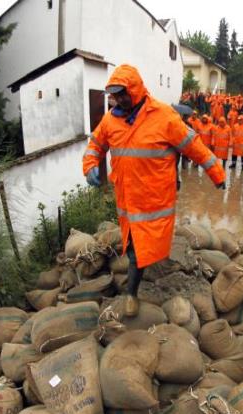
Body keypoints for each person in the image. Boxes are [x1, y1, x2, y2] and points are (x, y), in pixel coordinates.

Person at [83, 64, 226, 317]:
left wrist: (216, 172)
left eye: (122, 94)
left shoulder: (164, 116)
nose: (118, 100)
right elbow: (96, 143)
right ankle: (138, 275)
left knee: (141, 250)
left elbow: (193, 146)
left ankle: (131, 293)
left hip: (154, 200)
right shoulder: (111, 119)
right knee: (134, 246)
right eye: (115, 96)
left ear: (136, 90)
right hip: (127, 200)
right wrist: (90, 164)